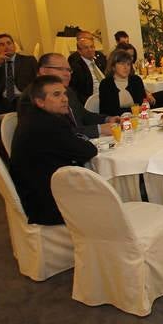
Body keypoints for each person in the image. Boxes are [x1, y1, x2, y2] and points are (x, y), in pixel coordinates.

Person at [9, 75, 98, 226]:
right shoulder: (48, 125)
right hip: (49, 203)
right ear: (40, 102)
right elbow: (88, 151)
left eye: (64, 93)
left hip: (34, 191)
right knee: (106, 194)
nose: (65, 99)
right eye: (56, 95)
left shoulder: (33, 117)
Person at [35, 53, 117, 138]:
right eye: (60, 69)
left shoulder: (68, 91)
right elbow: (59, 133)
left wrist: (107, 119)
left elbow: (84, 115)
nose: (67, 74)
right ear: (43, 71)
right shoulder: (33, 97)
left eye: (68, 70)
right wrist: (99, 129)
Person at [0, 33, 38, 119]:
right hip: (3, 101)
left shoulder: (28, 60)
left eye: (9, 43)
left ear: (14, 45)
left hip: (23, 99)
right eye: (2, 45)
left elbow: (39, 81)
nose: (6, 47)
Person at [98, 50, 148, 116]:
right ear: (113, 66)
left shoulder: (136, 80)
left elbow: (142, 104)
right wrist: (132, 110)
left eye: (128, 64)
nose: (126, 67)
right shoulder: (106, 84)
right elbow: (108, 112)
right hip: (116, 122)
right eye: (122, 64)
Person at [69, 37, 107, 106]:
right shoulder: (76, 67)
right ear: (79, 51)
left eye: (92, 47)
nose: (90, 50)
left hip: (108, 96)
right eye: (86, 48)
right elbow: (74, 90)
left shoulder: (100, 60)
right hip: (92, 101)